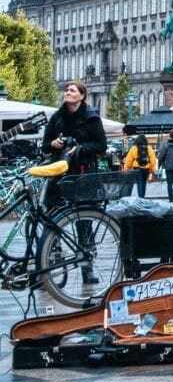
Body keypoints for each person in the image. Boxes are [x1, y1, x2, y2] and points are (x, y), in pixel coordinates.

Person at [42, 80, 107, 284]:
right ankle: (51, 263)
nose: (67, 92)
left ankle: (87, 267)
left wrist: (80, 148)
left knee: (84, 221)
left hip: (82, 173)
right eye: (67, 90)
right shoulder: (57, 117)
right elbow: (44, 145)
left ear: (81, 96)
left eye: (72, 90)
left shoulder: (92, 118)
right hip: (59, 172)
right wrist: (53, 143)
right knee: (52, 218)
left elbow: (101, 145)